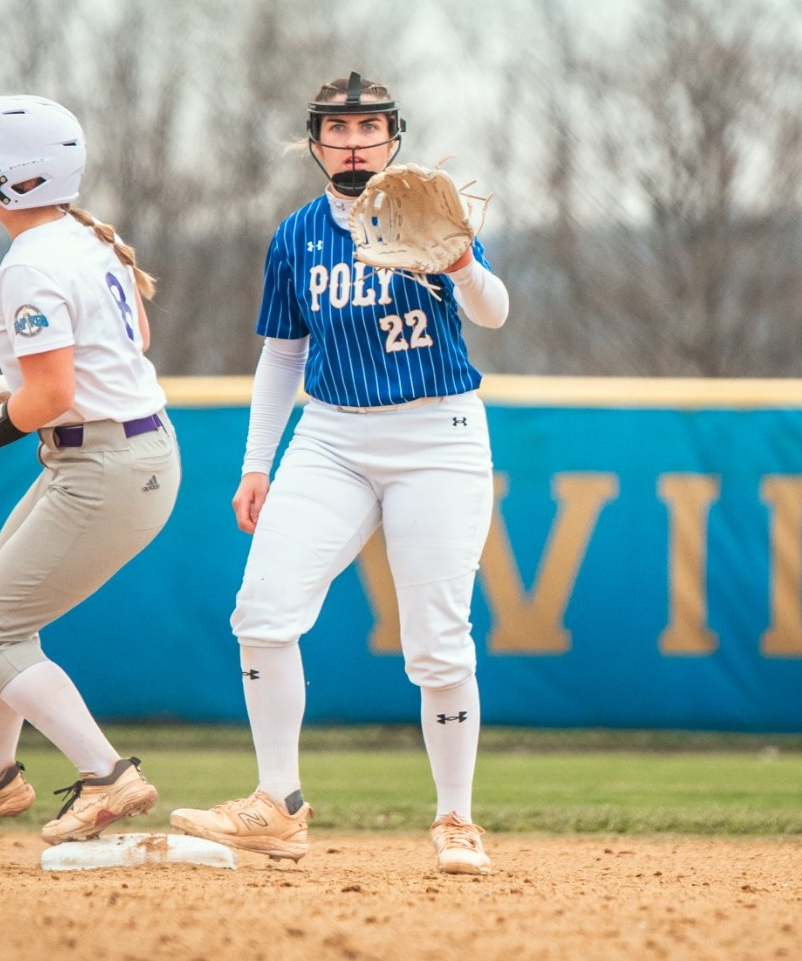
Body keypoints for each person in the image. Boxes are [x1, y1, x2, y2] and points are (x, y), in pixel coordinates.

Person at [169, 72, 509, 875]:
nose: (353, 143)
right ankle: (277, 803)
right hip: (329, 438)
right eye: (337, 130)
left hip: (438, 433)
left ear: (394, 136)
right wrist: (259, 463)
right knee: (261, 611)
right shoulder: (295, 235)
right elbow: (282, 353)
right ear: (314, 142)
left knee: (437, 641)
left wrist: (461, 260)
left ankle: (456, 819)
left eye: (368, 129)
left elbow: (493, 310)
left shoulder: (433, 209)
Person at [0, 94, 180, 846]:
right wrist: (12, 381)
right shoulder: (83, 239)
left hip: (107, 463)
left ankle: (106, 773)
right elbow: (130, 339)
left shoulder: (31, 264)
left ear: (23, 177)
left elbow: (53, 393)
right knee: (4, 615)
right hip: (116, 451)